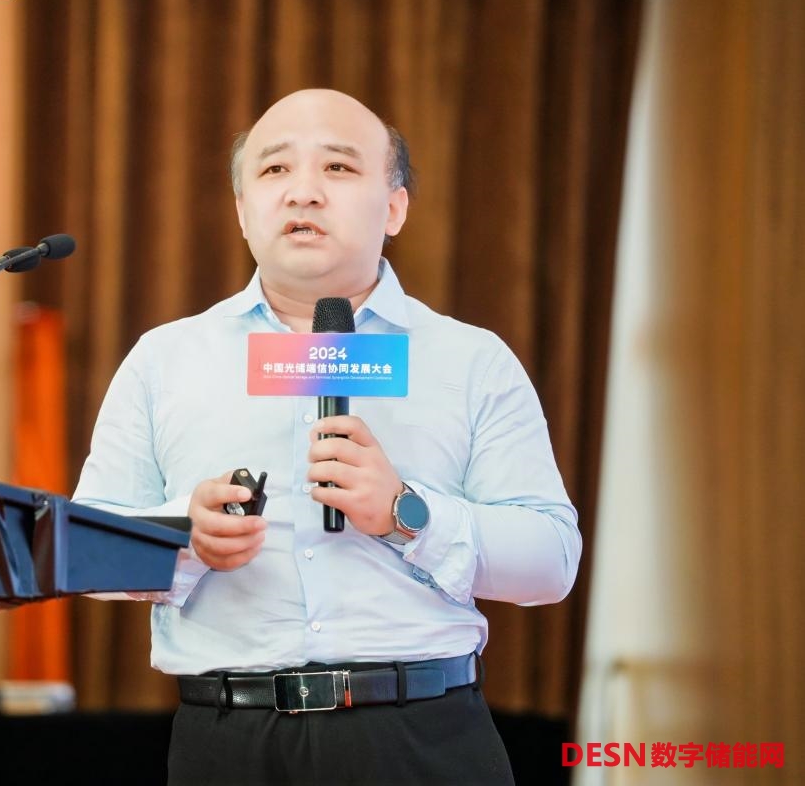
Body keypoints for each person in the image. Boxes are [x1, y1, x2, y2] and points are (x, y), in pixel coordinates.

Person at [73, 88, 580, 785]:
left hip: (420, 738)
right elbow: (86, 549)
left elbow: (551, 563)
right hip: (228, 744)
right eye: (274, 169)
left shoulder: (470, 360)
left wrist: (405, 512)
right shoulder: (166, 359)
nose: (303, 191)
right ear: (242, 209)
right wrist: (182, 538)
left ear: (394, 207)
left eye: (338, 167)